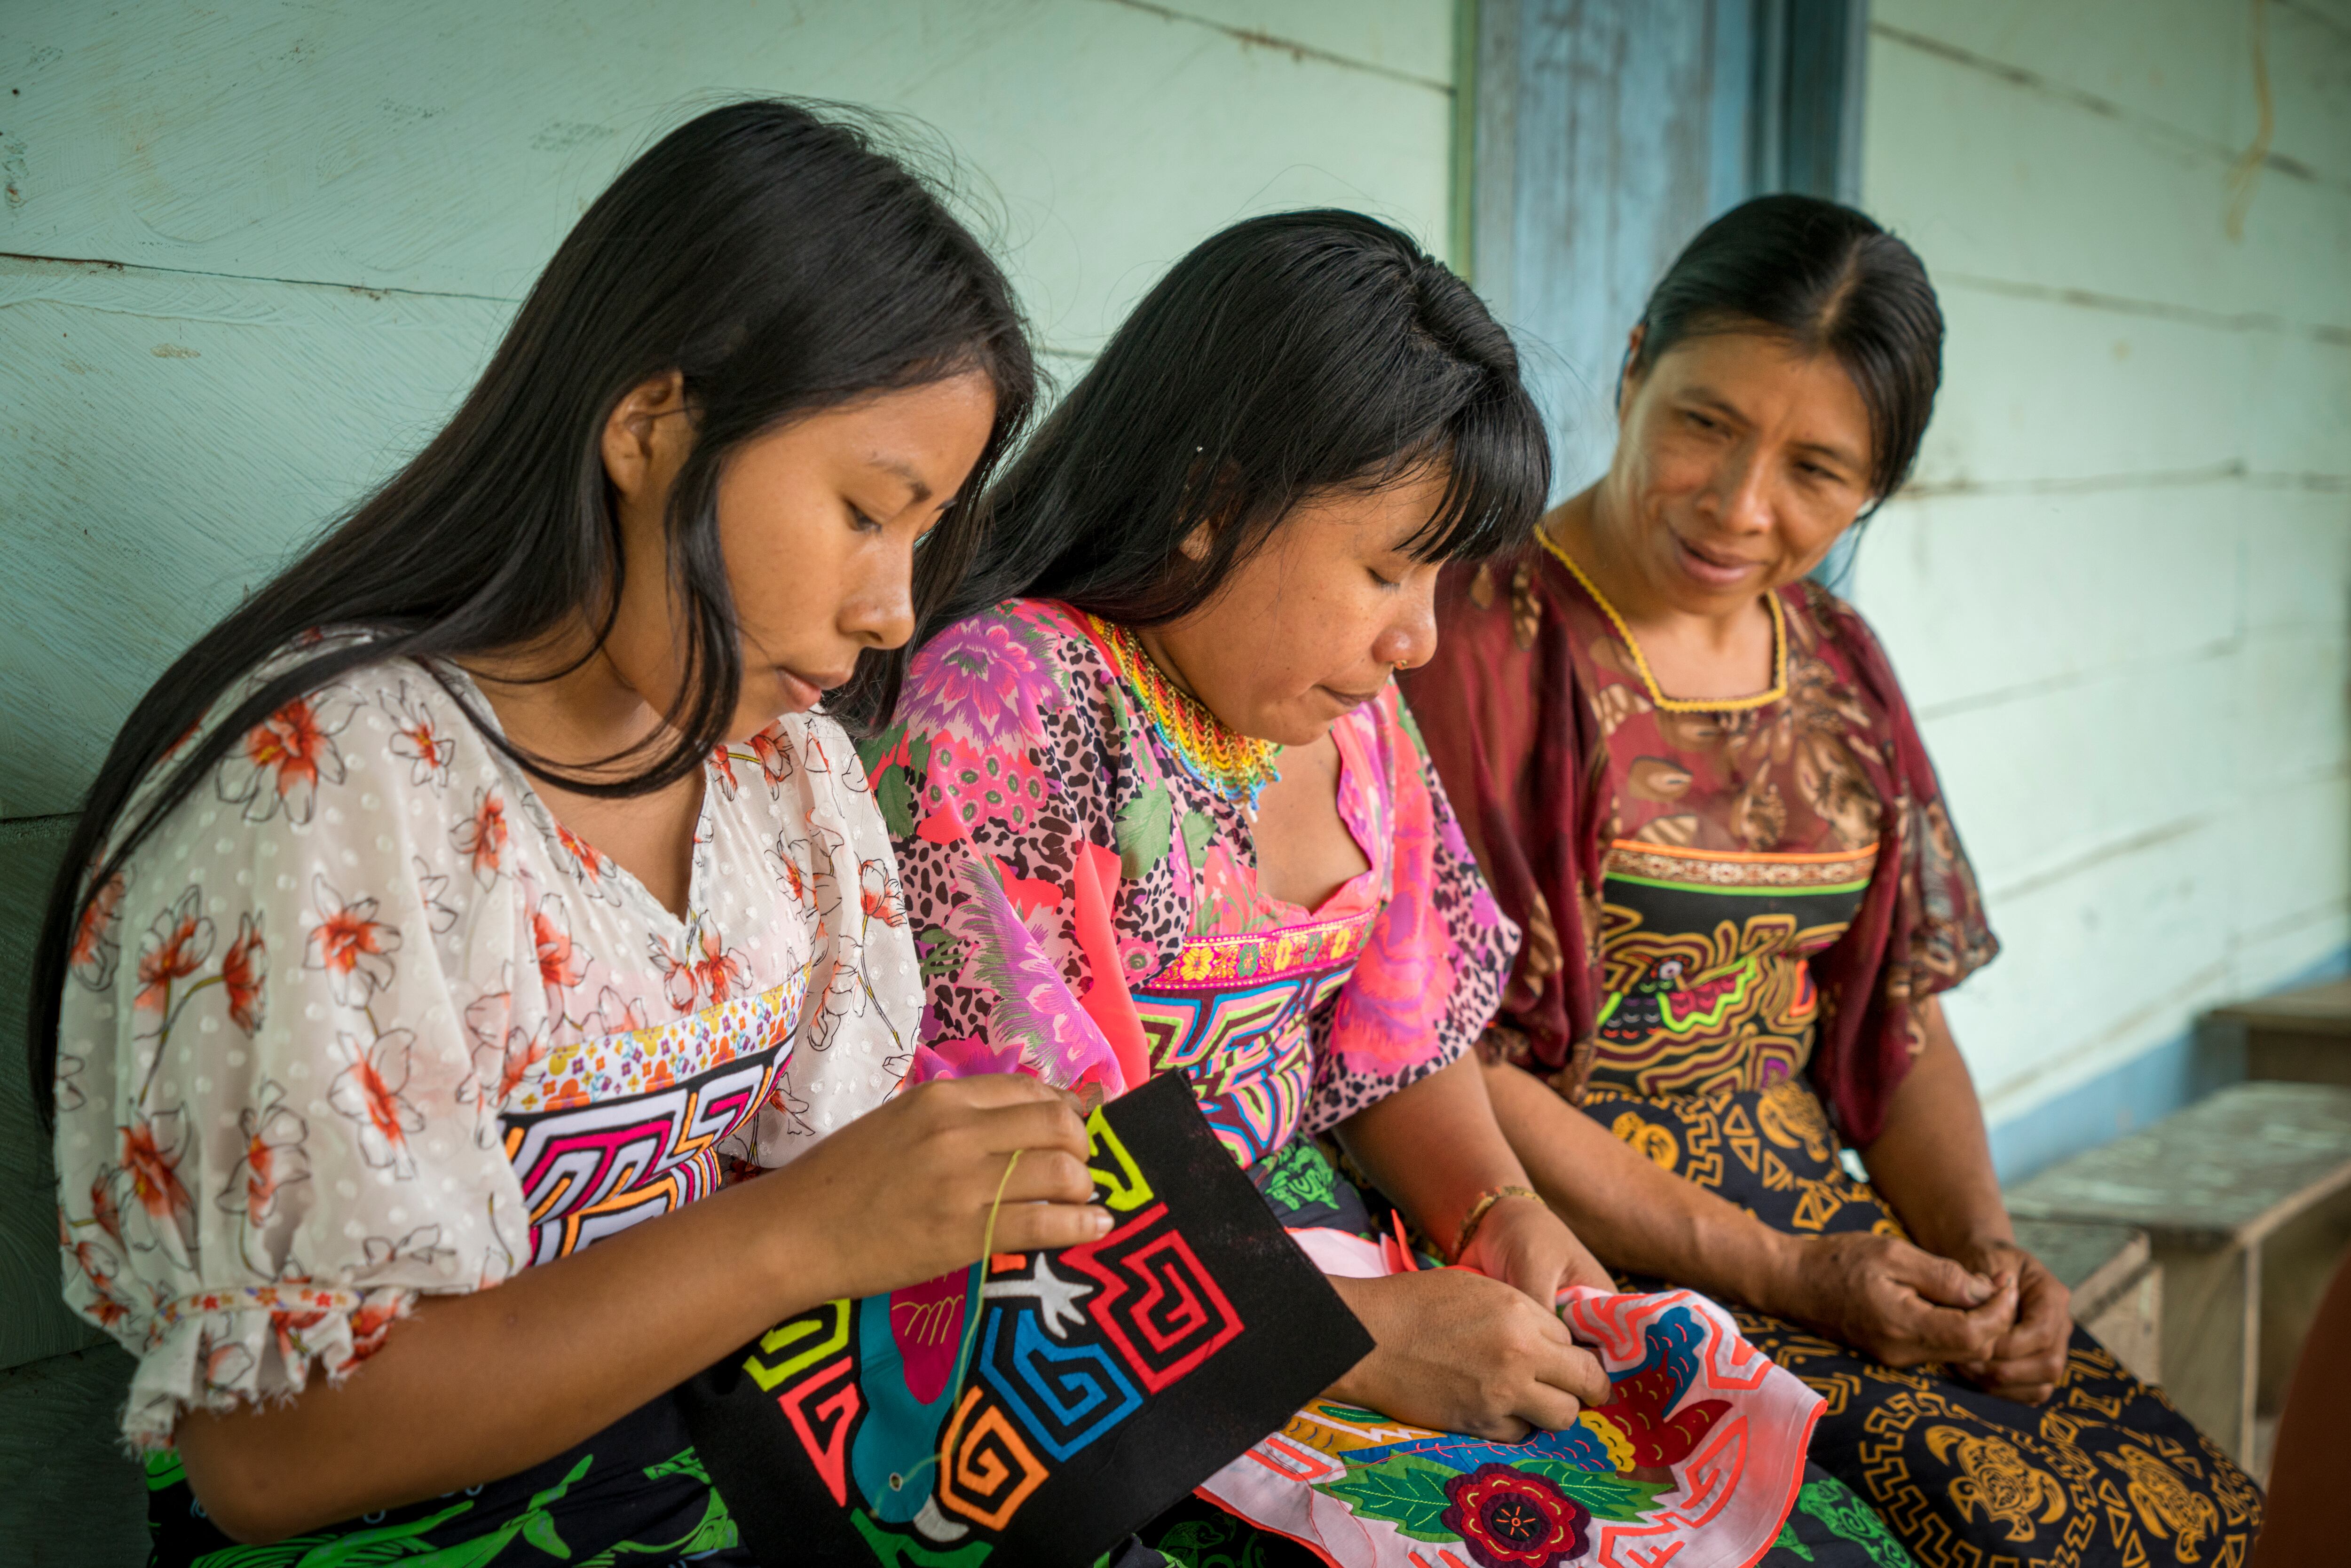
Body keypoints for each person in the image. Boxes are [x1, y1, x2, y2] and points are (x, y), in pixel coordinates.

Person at [35, 101, 1115, 1564]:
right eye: (870, 511)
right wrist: (804, 1237)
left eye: (923, 540)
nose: (894, 612)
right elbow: (274, 1459)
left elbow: (833, 1200)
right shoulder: (329, 792)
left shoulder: (781, 782)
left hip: (715, 1488)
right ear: (650, 425)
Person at [866, 209, 1914, 1566]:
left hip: (1319, 1258)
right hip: (1084, 1329)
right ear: (1215, 497)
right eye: (1383, 566)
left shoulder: (1349, 714)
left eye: (1434, 575)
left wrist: (1499, 1212)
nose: (1418, 634)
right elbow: (1000, 1176)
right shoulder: (1006, 703)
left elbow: (1399, 1037)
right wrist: (1347, 1339)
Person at [1407, 192, 2262, 1564]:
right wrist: (1799, 1275)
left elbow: (1894, 1018)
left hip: (1830, 1240)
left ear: (1878, 487)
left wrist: (1988, 1254)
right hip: (1582, 1243)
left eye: (1817, 468)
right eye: (1704, 422)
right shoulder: (1479, 636)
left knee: (2193, 1514)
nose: (1741, 506)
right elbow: (1454, 1063)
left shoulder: (1840, 661)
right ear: (1632, 368)